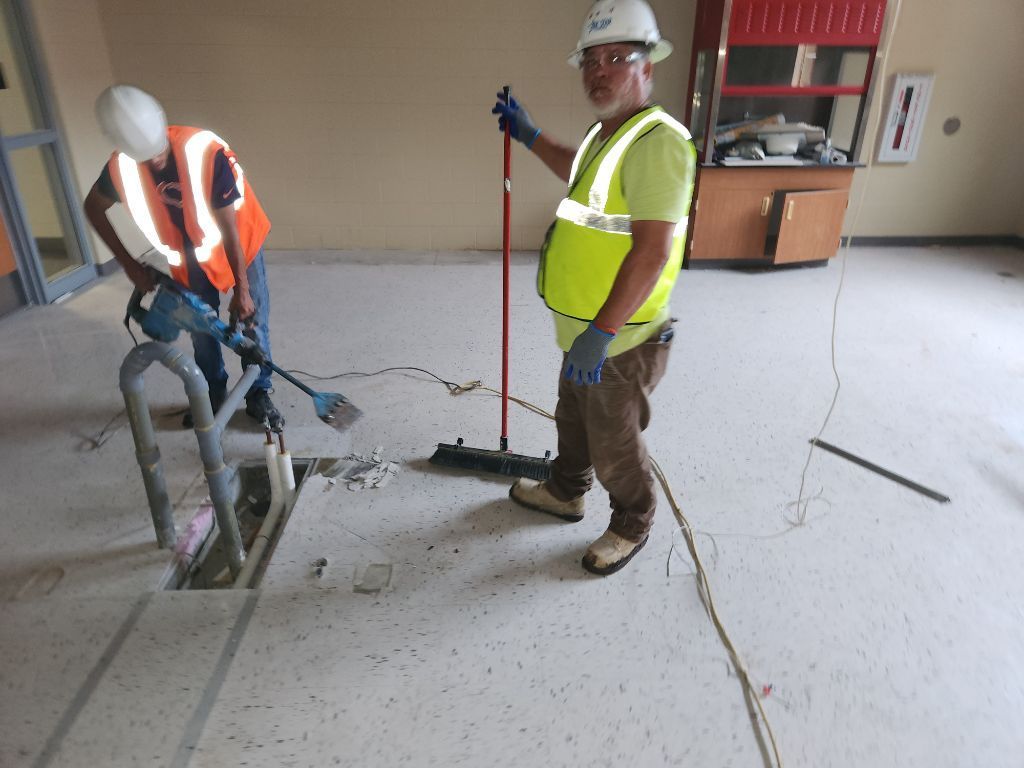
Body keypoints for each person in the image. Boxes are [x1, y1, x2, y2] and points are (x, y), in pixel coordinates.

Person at [492, 0, 696, 576]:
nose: (599, 71)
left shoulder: (657, 143)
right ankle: (565, 490)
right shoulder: (607, 132)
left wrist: (602, 332)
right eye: (590, 61)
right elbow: (572, 167)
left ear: (647, 67)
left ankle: (633, 519)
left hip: (619, 336)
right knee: (572, 418)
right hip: (584, 325)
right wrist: (529, 134)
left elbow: (653, 250)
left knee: (614, 440)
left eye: (616, 58)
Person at [84, 84, 282, 430]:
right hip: (187, 258)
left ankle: (259, 393)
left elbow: (228, 227)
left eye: (158, 150)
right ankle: (212, 394)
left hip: (239, 245)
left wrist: (242, 289)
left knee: (252, 324)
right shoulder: (120, 168)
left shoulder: (203, 151)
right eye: (146, 157)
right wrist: (130, 266)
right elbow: (93, 207)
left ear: (162, 125)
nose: (156, 160)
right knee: (200, 330)